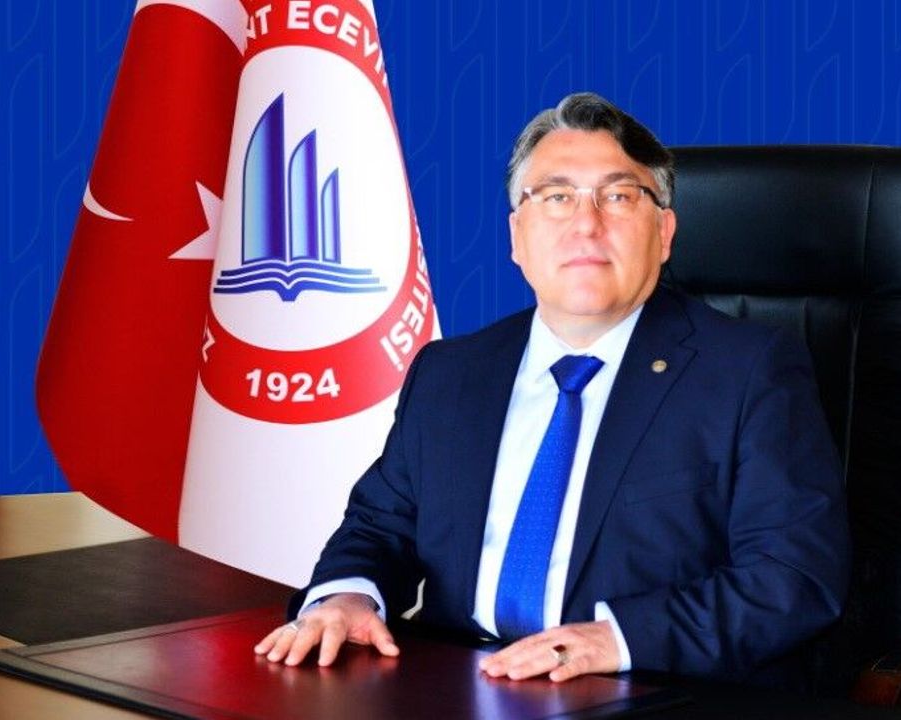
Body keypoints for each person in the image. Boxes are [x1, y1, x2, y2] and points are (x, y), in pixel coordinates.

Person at [254, 92, 850, 687]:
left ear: (664, 232)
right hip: (458, 683)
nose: (587, 224)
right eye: (557, 197)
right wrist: (346, 598)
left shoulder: (750, 372)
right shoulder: (450, 373)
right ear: (517, 235)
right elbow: (379, 528)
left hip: (642, 687)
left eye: (619, 196)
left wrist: (615, 640)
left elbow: (792, 577)